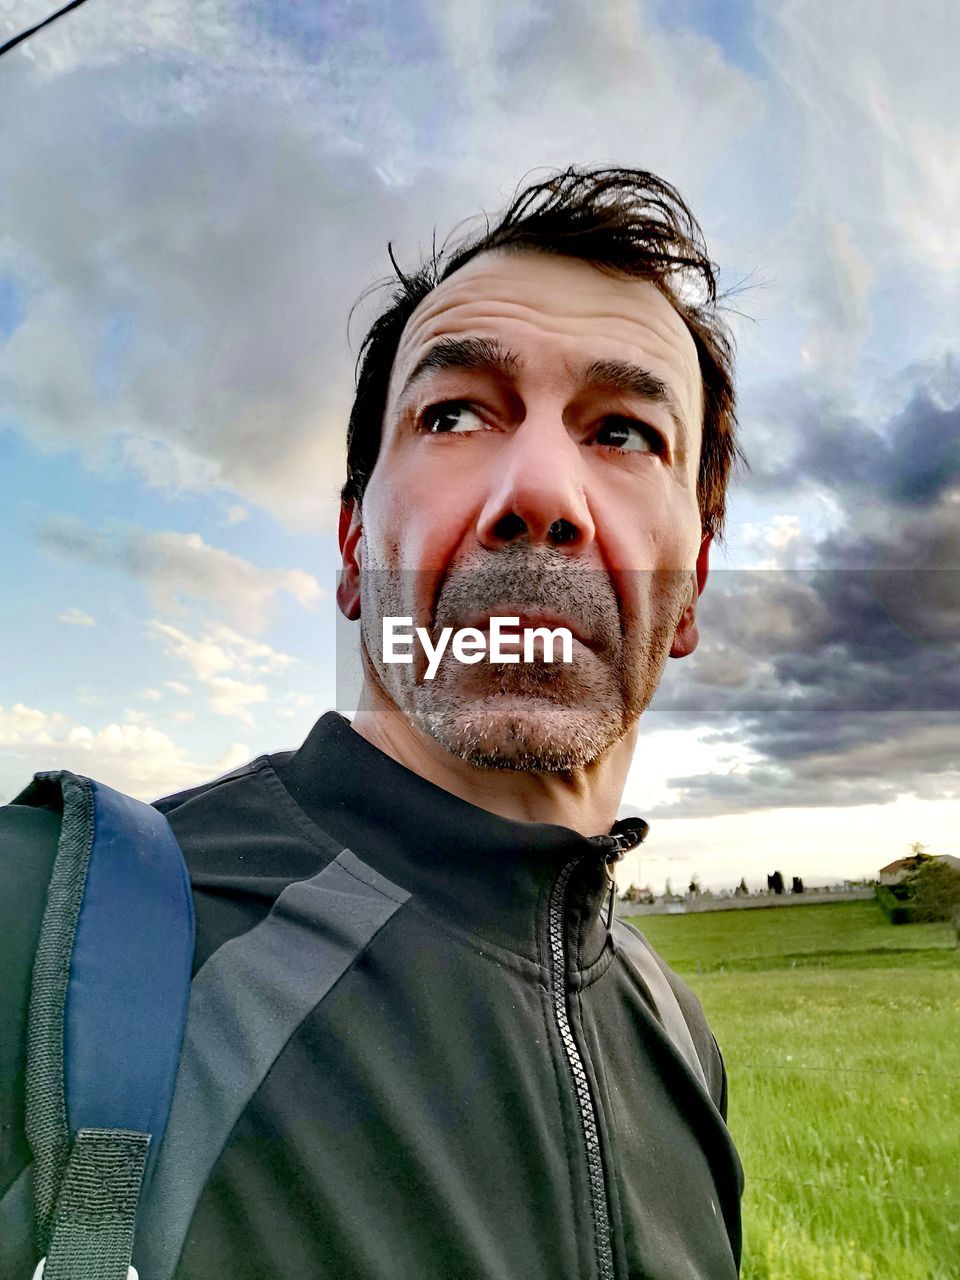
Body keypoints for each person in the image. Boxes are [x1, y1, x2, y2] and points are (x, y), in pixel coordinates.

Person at [0, 166, 744, 1278]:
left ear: (690, 585)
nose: (536, 491)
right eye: (453, 414)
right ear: (353, 549)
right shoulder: (41, 924)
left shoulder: (681, 1040)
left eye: (627, 432)